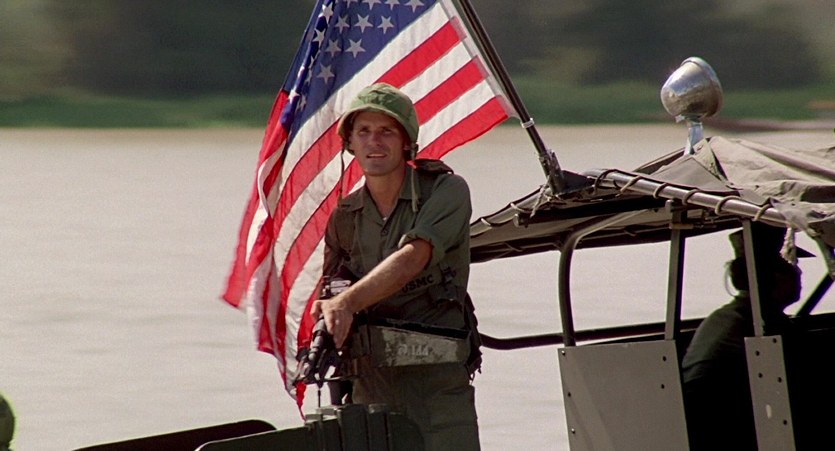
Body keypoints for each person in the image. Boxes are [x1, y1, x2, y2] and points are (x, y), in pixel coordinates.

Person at [311, 83, 481, 451]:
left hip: (435, 387)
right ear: (350, 143)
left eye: (387, 131)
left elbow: (414, 256)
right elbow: (334, 287)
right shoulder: (345, 216)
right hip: (370, 388)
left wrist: (346, 303)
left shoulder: (446, 191)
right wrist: (329, 314)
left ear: (406, 141)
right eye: (363, 131)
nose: (374, 141)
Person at [681, 223, 809, 451]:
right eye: (789, 267)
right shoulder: (759, 320)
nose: (798, 273)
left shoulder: (735, 314)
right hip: (724, 429)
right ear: (774, 278)